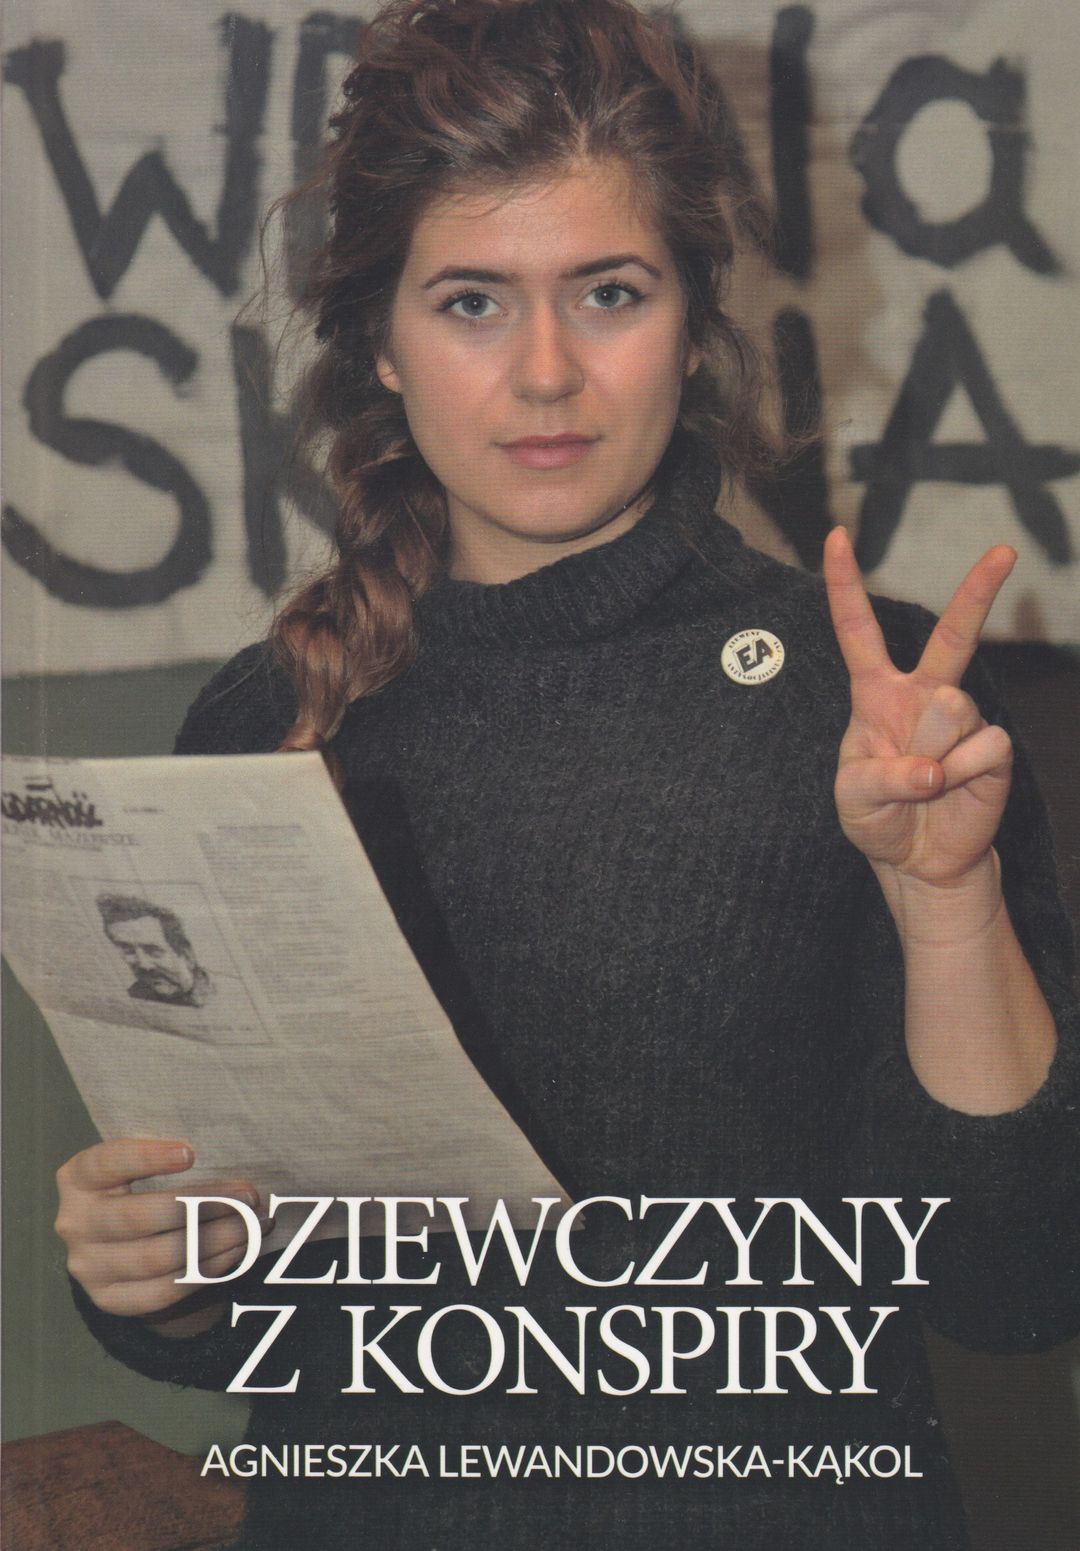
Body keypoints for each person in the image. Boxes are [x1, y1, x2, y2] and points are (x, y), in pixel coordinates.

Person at [54, 1, 1079, 1547]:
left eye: (609, 292)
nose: (546, 372)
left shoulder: (882, 707)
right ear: (381, 344)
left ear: (693, 319)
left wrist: (947, 901)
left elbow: (1015, 1284)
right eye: (471, 301)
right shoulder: (267, 717)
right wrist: (158, 1271)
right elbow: (240, 1305)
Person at [96, 893, 213, 1007]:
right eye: (128, 951)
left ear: (187, 955)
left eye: (153, 951)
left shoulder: (218, 999)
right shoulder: (135, 995)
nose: (143, 964)